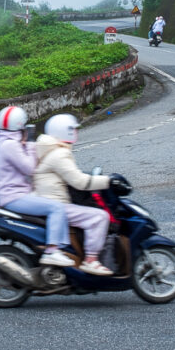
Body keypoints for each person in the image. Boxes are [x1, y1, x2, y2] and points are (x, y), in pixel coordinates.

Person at [33, 113, 121, 276]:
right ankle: (91, 260)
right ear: (64, 131)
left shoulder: (51, 150)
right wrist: (109, 181)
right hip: (57, 204)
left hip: (49, 202)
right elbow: (79, 181)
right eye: (73, 129)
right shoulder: (59, 154)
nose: (76, 132)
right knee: (99, 217)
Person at [0, 106, 74, 267]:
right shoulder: (11, 145)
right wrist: (29, 143)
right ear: (20, 126)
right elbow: (30, 168)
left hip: (11, 193)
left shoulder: (0, 142)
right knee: (57, 207)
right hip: (14, 196)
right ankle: (52, 250)